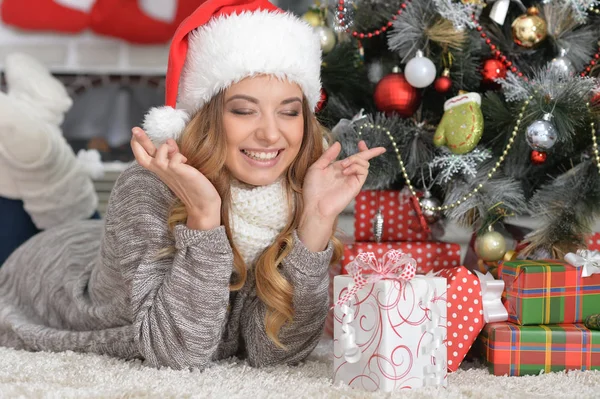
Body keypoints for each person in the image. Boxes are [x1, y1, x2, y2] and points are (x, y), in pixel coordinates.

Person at [0, 0, 385, 371]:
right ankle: (35, 127)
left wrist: (315, 222)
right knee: (48, 186)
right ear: (205, 117)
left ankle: (37, 130)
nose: (271, 134)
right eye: (244, 110)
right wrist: (204, 215)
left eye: (288, 111)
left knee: (75, 206)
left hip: (96, 238)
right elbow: (179, 355)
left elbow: (277, 355)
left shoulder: (296, 189)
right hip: (44, 273)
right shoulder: (150, 185)